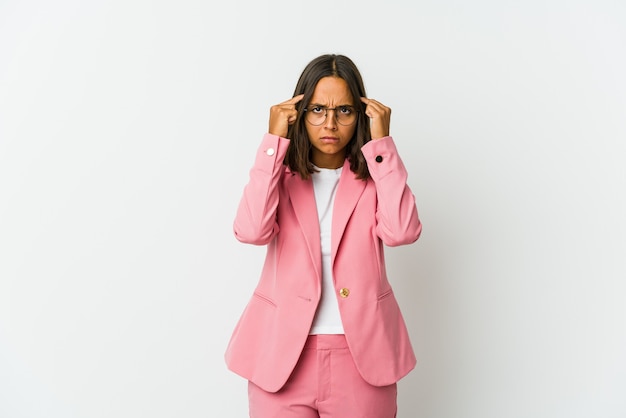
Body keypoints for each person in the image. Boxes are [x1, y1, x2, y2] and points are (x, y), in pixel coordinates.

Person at [225, 53, 422, 418]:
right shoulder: (279, 178)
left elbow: (402, 232)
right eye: (317, 110)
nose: (329, 123)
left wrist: (383, 148)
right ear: (300, 114)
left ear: (360, 116)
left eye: (344, 111)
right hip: (281, 359)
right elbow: (251, 231)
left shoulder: (376, 178)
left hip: (364, 358)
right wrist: (272, 142)